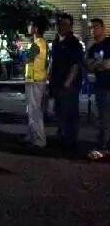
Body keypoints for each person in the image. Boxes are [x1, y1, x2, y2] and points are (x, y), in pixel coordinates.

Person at [50, 13, 84, 149]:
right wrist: (50, 78)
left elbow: (76, 65)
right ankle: (62, 135)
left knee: (70, 111)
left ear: (70, 27)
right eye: (59, 24)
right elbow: (53, 61)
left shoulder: (74, 43)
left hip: (69, 83)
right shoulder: (56, 42)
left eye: (65, 24)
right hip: (57, 82)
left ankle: (70, 139)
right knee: (59, 110)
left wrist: (68, 82)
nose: (61, 26)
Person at [23, 17, 49, 148]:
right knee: (33, 110)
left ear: (36, 29)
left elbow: (28, 59)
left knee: (34, 111)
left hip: (34, 80)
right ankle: (31, 136)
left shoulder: (36, 44)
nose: (28, 27)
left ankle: (39, 140)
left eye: (30, 25)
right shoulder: (42, 42)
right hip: (38, 79)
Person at [87, 18, 110, 160]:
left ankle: (103, 147)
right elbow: (89, 66)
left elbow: (107, 64)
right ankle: (103, 147)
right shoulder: (92, 48)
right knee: (104, 119)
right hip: (101, 87)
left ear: (103, 28)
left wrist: (99, 65)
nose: (93, 29)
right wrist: (101, 65)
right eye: (91, 27)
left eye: (96, 26)